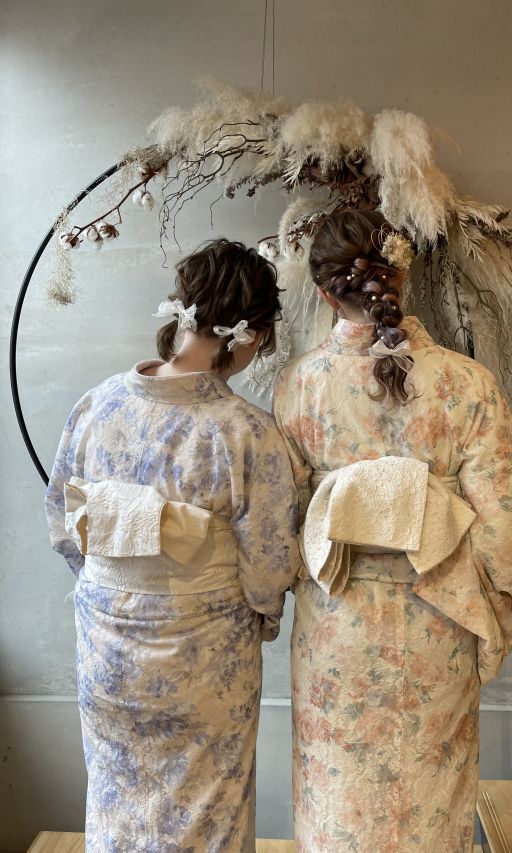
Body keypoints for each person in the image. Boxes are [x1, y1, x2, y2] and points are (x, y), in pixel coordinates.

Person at [273, 209, 512, 853]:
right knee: (428, 789)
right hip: (439, 616)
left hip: (337, 620)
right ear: (403, 274)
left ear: (325, 294)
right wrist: (495, 604)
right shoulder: (466, 383)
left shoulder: (299, 386)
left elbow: (281, 518)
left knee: (338, 789)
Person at [45, 239, 301, 853]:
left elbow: (64, 523)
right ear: (251, 336)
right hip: (205, 649)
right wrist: (263, 616)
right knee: (207, 807)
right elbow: (270, 565)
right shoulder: (245, 431)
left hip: (107, 642)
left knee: (117, 796)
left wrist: (117, 586)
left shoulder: (97, 405)